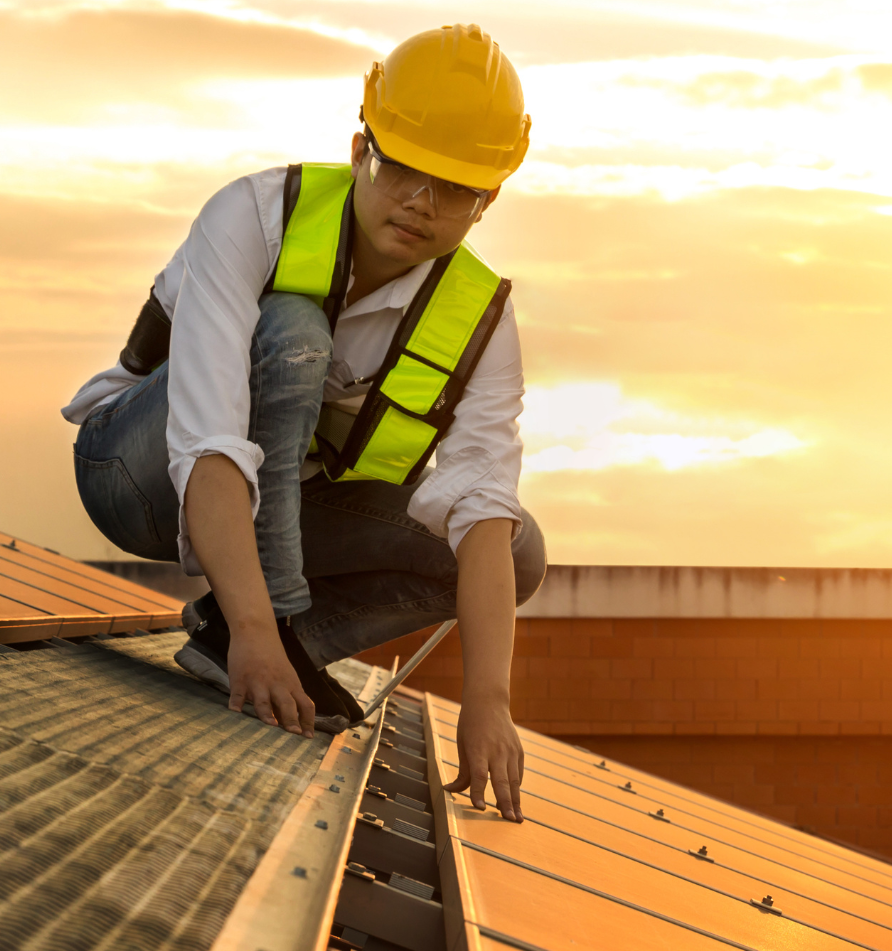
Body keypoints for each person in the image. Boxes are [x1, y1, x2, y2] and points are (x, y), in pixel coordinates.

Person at [62, 24, 544, 821]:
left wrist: (488, 697)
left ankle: (238, 641)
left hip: (275, 513)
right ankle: (267, 628)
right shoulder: (255, 216)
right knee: (290, 332)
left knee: (516, 548)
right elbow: (209, 439)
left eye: (454, 188)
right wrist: (263, 621)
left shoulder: (483, 321)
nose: (421, 203)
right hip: (138, 474)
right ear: (361, 148)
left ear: (487, 201)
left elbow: (483, 512)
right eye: (402, 169)